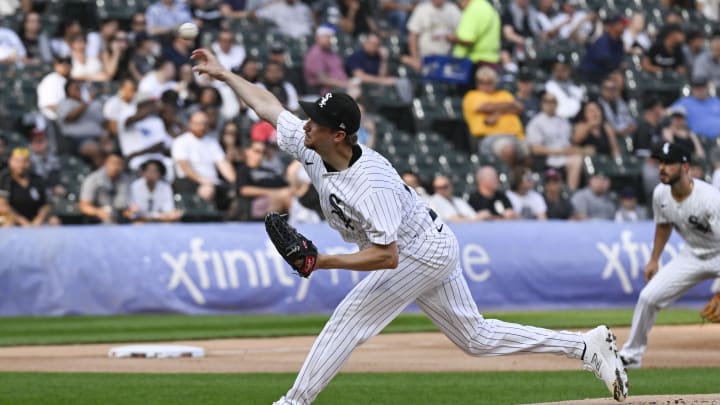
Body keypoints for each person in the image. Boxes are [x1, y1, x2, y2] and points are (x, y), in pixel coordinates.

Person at [191, 46, 629, 405]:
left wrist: (322, 261)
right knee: (474, 337)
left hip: (418, 249)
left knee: (348, 319)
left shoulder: (371, 184)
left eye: (315, 121)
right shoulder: (313, 146)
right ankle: (585, 346)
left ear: (339, 135)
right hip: (431, 240)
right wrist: (226, 75)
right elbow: (270, 108)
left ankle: (292, 403)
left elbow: (387, 256)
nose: (305, 124)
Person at [619, 142, 720, 369]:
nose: (662, 167)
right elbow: (663, 225)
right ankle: (631, 355)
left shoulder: (710, 199)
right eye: (660, 162)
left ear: (685, 167)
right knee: (648, 297)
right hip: (692, 254)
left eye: (669, 163)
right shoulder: (660, 193)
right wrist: (654, 259)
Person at [525, 91, 583, 191]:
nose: (550, 104)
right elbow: (535, 149)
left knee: (582, 157)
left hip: (565, 156)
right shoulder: (536, 122)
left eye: (553, 101)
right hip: (547, 159)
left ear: (557, 104)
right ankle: (571, 192)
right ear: (542, 104)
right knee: (576, 161)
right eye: (547, 101)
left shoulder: (563, 121)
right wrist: (560, 152)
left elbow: (570, 141)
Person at [0, 147, 57, 226]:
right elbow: (2, 205)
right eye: (17, 161)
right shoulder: (4, 178)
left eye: (25, 161)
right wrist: (22, 221)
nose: (21, 165)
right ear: (10, 161)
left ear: (29, 163)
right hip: (13, 217)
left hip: (35, 219)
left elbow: (48, 204)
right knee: (8, 223)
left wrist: (39, 218)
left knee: (54, 220)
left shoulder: (37, 179)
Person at [78, 153, 132, 224]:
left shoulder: (126, 180)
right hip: (96, 220)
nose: (115, 167)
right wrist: (97, 212)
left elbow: (126, 206)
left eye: (119, 164)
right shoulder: (93, 179)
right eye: (113, 163)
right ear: (105, 163)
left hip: (119, 219)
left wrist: (130, 212)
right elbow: (83, 206)